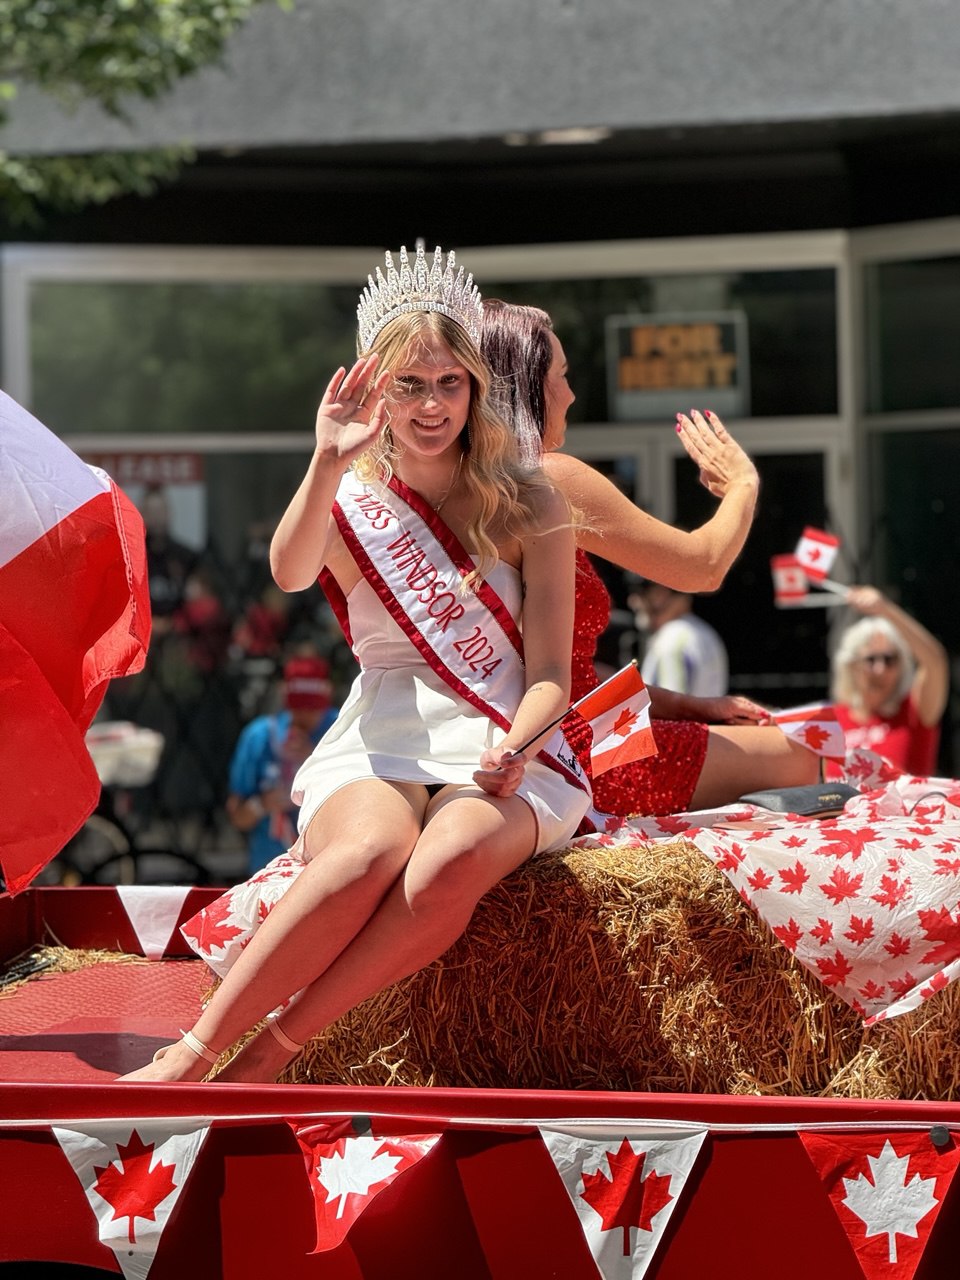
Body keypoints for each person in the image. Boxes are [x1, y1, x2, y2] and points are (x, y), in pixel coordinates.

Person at [121, 246, 590, 1083]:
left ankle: (270, 1051)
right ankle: (193, 1052)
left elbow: (549, 671)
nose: (431, 404)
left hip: (507, 742)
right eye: (409, 385)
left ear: (475, 386)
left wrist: (518, 747)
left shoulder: (530, 500)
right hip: (386, 729)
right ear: (378, 389)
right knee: (370, 851)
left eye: (448, 382)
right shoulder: (352, 495)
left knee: (448, 859)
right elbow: (289, 572)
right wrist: (327, 459)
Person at [480, 298, 819, 815]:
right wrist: (743, 485)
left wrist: (692, 707)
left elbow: (561, 670)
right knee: (813, 750)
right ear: (524, 388)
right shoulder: (550, 476)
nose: (570, 395)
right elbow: (700, 567)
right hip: (573, 754)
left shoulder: (472, 486)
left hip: (547, 742)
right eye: (561, 376)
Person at [226, 653, 339, 873]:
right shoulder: (260, 736)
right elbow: (237, 817)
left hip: (328, 869)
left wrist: (315, 759)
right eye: (298, 707)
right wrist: (263, 804)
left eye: (313, 708)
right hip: (269, 868)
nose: (304, 716)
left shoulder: (342, 729)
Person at [826, 585, 949, 777]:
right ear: (851, 666)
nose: (880, 670)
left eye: (889, 659)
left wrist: (885, 609)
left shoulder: (914, 712)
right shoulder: (832, 720)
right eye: (870, 659)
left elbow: (935, 662)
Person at [631, 579, 729, 697]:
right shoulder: (703, 631)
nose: (633, 601)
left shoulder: (671, 639)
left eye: (641, 592)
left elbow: (670, 706)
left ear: (661, 593)